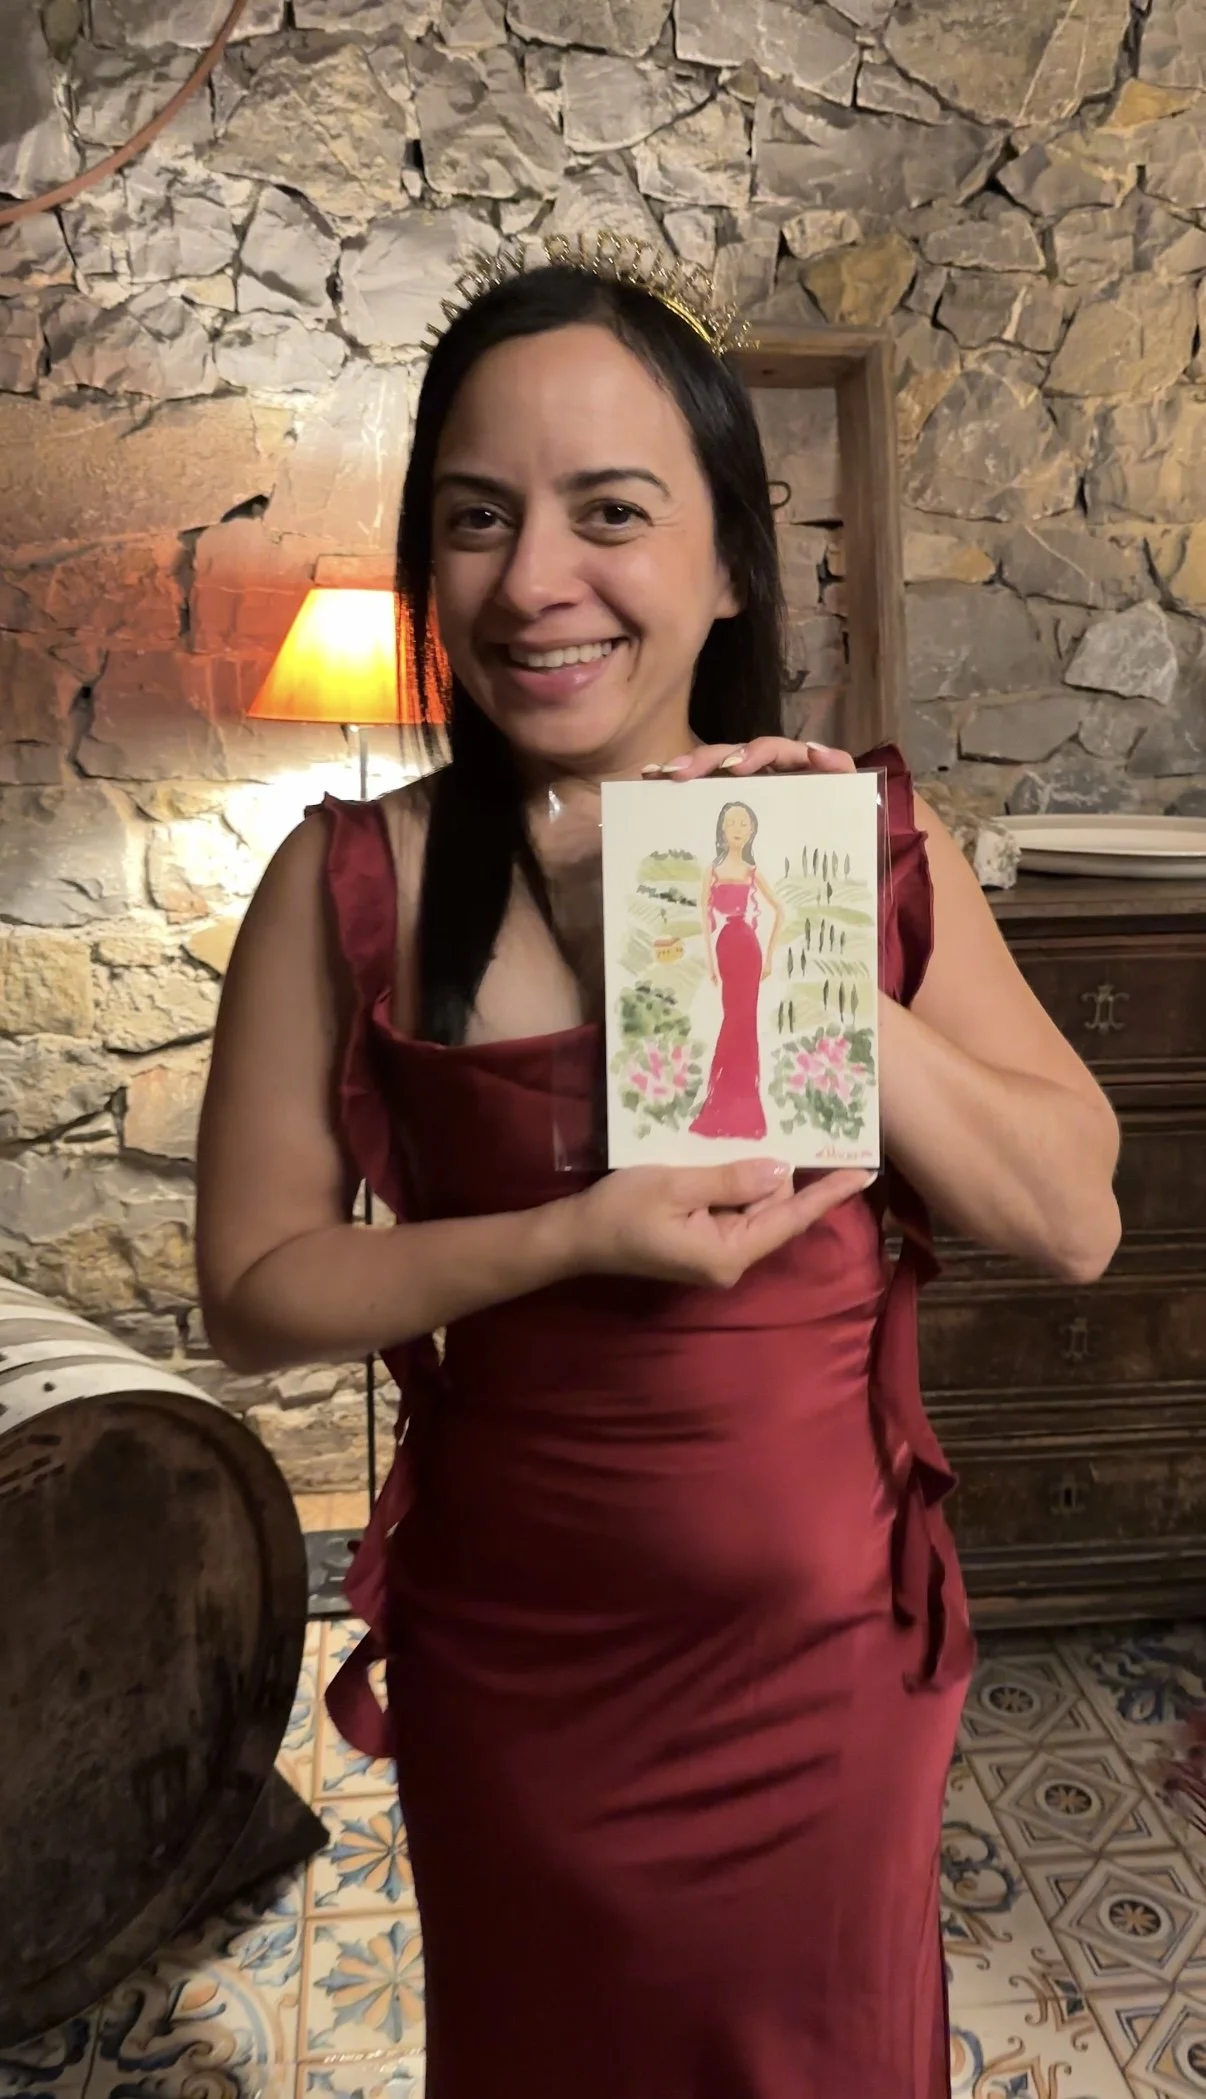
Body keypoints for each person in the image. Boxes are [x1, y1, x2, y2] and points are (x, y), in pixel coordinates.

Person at [196, 246, 1122, 2099]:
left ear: (722, 566)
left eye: (609, 511)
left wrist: (819, 932)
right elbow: (255, 1287)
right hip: (520, 1671)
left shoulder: (865, 835)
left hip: (821, 1673)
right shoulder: (348, 883)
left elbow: (1075, 1214)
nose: (536, 578)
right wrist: (562, 1233)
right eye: (478, 517)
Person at [691, 799, 783, 1142]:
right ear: (722, 830)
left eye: (744, 824)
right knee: (734, 1020)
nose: (739, 830)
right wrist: (711, 962)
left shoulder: (751, 871)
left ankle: (745, 1110)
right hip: (726, 945)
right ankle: (724, 1105)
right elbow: (703, 918)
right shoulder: (711, 871)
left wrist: (771, 957)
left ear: (753, 829)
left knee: (745, 1023)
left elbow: (781, 911)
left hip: (748, 946)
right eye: (732, 823)